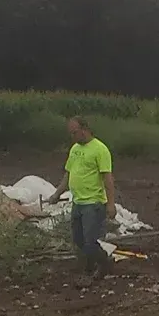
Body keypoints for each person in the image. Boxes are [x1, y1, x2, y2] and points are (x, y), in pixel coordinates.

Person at [60, 116, 117, 280]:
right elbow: (68, 173)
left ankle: (103, 264)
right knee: (78, 240)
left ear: (84, 130)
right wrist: (57, 194)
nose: (72, 136)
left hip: (93, 203)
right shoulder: (75, 149)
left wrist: (111, 204)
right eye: (70, 133)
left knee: (90, 241)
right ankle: (92, 266)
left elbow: (108, 178)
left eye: (74, 132)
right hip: (78, 202)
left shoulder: (100, 149)